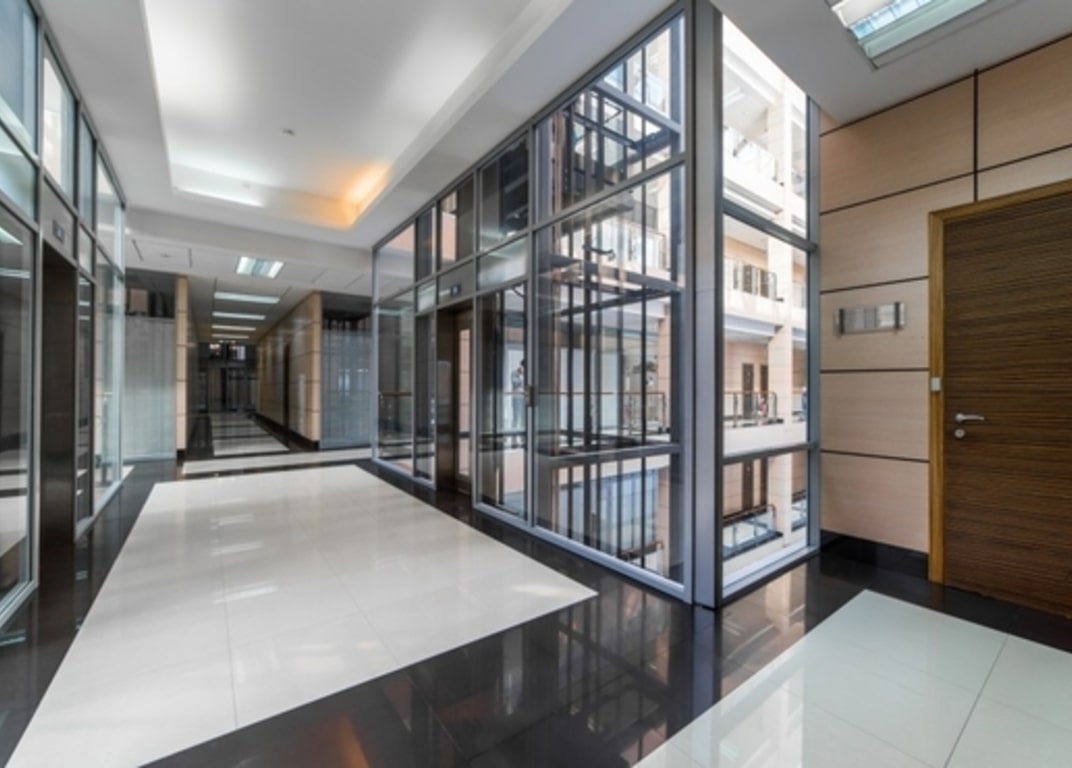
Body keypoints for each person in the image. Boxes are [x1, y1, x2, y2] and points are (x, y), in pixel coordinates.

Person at [510, 359, 526, 448]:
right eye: (523, 367)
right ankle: (514, 439)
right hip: (517, 398)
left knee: (524, 419)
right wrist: (521, 376)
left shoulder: (527, 374)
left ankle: (523, 439)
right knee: (516, 418)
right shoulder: (515, 373)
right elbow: (515, 383)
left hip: (524, 398)